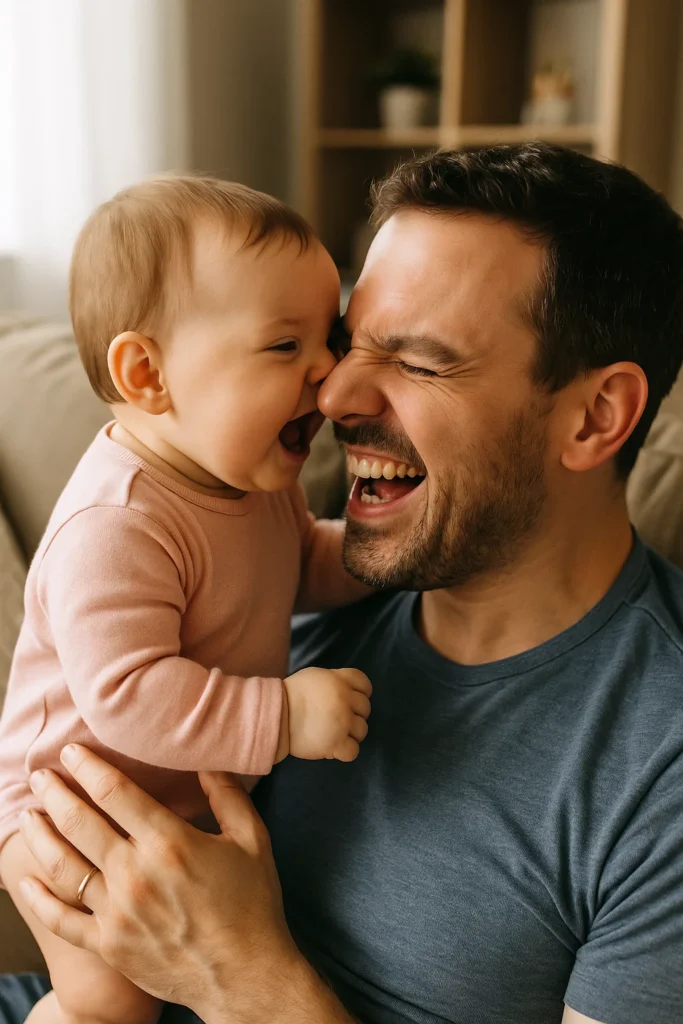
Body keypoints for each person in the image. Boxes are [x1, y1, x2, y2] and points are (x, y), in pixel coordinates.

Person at [2, 142, 683, 1024]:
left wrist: (244, 979)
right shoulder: (319, 561)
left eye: (418, 361)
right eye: (342, 343)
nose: (332, 396)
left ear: (594, 417)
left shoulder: (653, 764)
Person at [0, 176, 372, 1024]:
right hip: (64, 817)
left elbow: (297, 562)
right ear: (148, 373)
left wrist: (374, 558)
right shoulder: (118, 525)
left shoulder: (250, 475)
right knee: (108, 1004)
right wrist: (282, 717)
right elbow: (129, 696)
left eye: (331, 336)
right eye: (285, 346)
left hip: (177, 803)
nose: (326, 373)